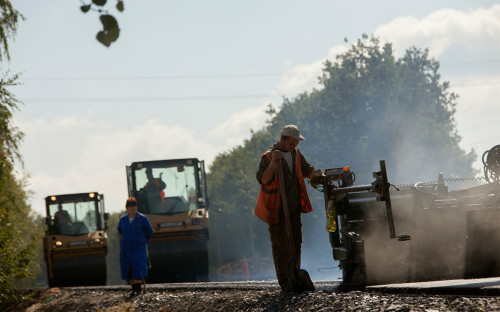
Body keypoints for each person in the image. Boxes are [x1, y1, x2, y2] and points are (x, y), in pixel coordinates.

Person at [255, 124, 315, 294]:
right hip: (277, 209)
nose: (293, 147)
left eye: (296, 144)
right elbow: (263, 179)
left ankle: (295, 275)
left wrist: (321, 178)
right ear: (282, 139)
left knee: (296, 242)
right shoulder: (268, 156)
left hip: (294, 208)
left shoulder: (295, 153)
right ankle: (286, 283)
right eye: (291, 144)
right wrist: (274, 162)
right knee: (281, 247)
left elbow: (307, 170)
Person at [118, 197, 153, 297]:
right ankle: (133, 289)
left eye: (134, 206)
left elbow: (149, 231)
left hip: (139, 247)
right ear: (127, 208)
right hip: (126, 247)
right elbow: (120, 230)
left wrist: (142, 241)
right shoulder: (123, 220)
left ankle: (138, 289)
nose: (132, 208)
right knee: (128, 268)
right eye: (130, 206)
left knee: (138, 265)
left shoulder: (142, 219)